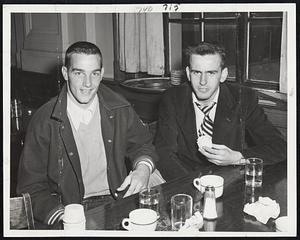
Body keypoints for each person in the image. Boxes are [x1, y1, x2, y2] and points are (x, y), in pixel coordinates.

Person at [17, 41, 165, 228]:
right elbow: (31, 188)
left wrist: (143, 170)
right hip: (69, 208)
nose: (88, 83)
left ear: (102, 74)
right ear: (65, 73)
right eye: (79, 73)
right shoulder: (44, 120)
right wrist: (65, 217)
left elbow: (142, 145)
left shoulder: (119, 108)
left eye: (94, 73)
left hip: (117, 199)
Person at [154, 42, 287, 181]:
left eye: (211, 73)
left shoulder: (243, 98)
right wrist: (194, 186)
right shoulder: (172, 98)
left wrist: (237, 157)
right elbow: (164, 153)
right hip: (184, 176)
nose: (202, 82)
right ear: (188, 73)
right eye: (197, 72)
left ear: (223, 75)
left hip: (229, 178)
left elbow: (280, 146)